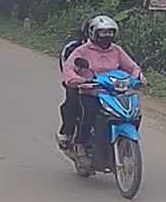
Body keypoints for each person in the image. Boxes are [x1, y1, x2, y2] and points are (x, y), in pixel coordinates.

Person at [56, 15, 145, 151]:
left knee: (134, 113)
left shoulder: (116, 50)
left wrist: (138, 77)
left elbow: (132, 67)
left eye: (110, 32)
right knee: (89, 112)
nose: (107, 36)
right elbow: (69, 69)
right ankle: (81, 143)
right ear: (93, 33)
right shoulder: (82, 51)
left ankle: (119, 140)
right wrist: (80, 81)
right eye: (103, 32)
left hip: (114, 92)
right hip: (91, 91)